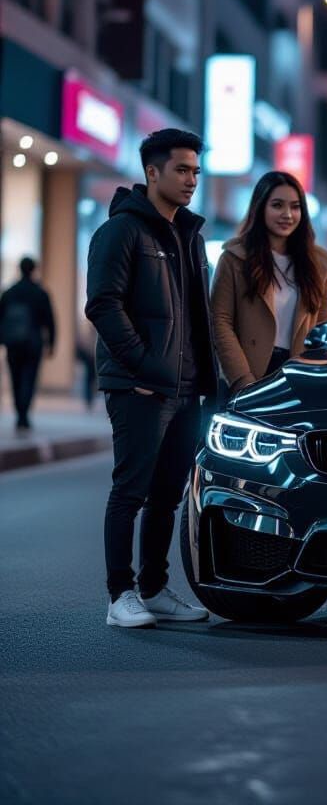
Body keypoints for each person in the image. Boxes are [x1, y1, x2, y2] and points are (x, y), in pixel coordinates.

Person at [85, 129, 216, 629]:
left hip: (187, 390)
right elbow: (102, 303)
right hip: (140, 386)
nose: (191, 181)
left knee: (169, 496)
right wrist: (142, 367)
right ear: (152, 172)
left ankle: (155, 589)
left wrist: (205, 382)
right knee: (131, 491)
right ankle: (120, 595)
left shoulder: (190, 235)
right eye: (182, 170)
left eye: (196, 172)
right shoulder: (121, 232)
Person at [211, 171, 327, 396]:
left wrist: (317, 376)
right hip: (245, 371)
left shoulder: (319, 264)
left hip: (297, 375)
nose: (287, 214)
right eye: (277, 205)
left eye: (295, 207)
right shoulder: (234, 258)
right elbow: (220, 321)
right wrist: (242, 378)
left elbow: (326, 326)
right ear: (260, 208)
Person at [0, 256, 56, 431]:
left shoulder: (9, 293)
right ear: (33, 270)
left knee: (16, 378)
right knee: (29, 379)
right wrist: (52, 343)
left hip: (13, 344)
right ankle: (24, 415)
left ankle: (20, 414)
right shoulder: (40, 293)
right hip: (33, 343)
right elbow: (50, 321)